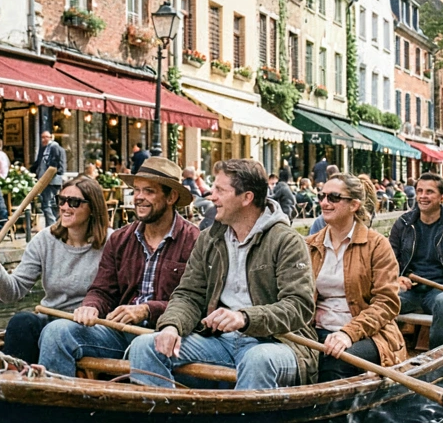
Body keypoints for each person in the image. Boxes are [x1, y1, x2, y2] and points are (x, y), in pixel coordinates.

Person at [126, 159, 318, 390]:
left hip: (280, 343)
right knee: (145, 346)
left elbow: (299, 306)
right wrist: (172, 326)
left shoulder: (286, 241)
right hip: (219, 342)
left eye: (220, 190)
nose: (211, 196)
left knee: (257, 359)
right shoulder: (209, 239)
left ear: (247, 198)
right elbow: (188, 295)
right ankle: (166, 422)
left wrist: (245, 317)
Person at [24, 159, 200, 377]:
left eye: (149, 191)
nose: (139, 197)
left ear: (171, 197)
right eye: (136, 190)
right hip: (119, 333)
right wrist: (91, 307)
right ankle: (56, 403)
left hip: (165, 335)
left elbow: (196, 303)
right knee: (56, 331)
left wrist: (147, 309)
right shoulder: (120, 239)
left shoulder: (195, 242)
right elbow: (102, 290)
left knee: (145, 345)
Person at [0, 175, 110, 367]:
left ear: (93, 208)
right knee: (22, 322)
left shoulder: (112, 243)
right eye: (61, 200)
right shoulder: (44, 240)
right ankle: (12, 388)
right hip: (50, 322)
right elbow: (12, 292)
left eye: (74, 202)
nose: (65, 207)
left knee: (57, 331)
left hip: (91, 328)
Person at [305, 173, 405, 381]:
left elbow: (386, 303)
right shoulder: (309, 245)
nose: (324, 202)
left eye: (333, 197)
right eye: (321, 196)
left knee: (335, 359)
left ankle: (331, 412)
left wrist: (348, 333)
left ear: (354, 205)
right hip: (315, 331)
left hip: (368, 333)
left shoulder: (377, 245)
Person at [388, 173, 443, 350]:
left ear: (442, 197)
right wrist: (396, 277)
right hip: (411, 291)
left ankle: (437, 357)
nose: (422, 196)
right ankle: (387, 352)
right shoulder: (403, 223)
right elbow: (388, 260)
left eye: (429, 192)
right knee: (381, 298)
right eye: (419, 191)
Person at [33, 130, 67, 226]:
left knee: (47, 203)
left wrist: (51, 175)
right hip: (49, 180)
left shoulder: (54, 148)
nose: (43, 139)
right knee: (52, 203)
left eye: (46, 137)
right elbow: (38, 163)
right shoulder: (44, 149)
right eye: (42, 137)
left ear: (51, 137)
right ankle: (56, 224)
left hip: (50, 180)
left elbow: (55, 164)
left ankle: (51, 225)